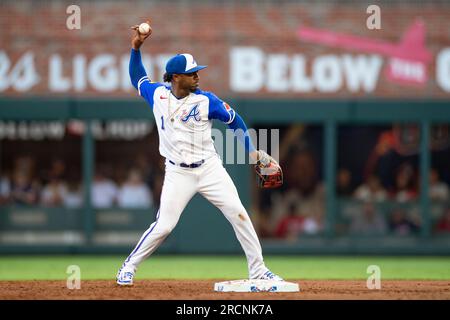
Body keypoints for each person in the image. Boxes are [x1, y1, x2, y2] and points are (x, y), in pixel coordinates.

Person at [116, 21, 283, 285]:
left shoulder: (207, 101)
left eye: (196, 71)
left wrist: (252, 153)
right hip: (177, 172)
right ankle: (129, 267)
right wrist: (136, 48)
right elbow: (138, 78)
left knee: (239, 213)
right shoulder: (157, 94)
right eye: (192, 72)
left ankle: (259, 270)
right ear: (176, 77)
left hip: (209, 169)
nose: (197, 76)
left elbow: (235, 121)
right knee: (165, 226)